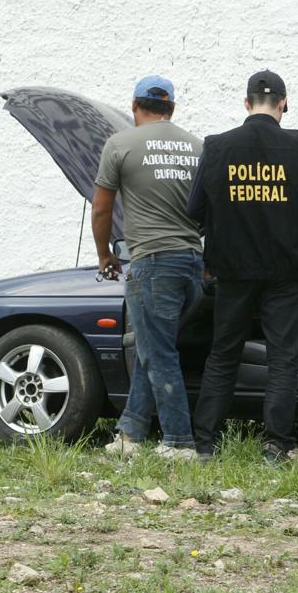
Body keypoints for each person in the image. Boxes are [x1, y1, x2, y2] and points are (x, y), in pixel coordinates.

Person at [189, 70, 298, 464]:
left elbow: (194, 209)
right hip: (285, 274)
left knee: (223, 354)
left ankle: (205, 443)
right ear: (283, 103)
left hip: (232, 271)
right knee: (282, 359)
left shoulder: (217, 148)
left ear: (246, 102)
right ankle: (276, 445)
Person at [93, 75, 204, 460]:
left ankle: (179, 442)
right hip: (192, 263)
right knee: (151, 345)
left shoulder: (120, 143)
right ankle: (131, 433)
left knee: (159, 353)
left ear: (134, 105)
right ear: (172, 107)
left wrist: (105, 254)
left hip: (153, 264)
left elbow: (102, 206)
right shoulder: (197, 147)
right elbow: (209, 210)